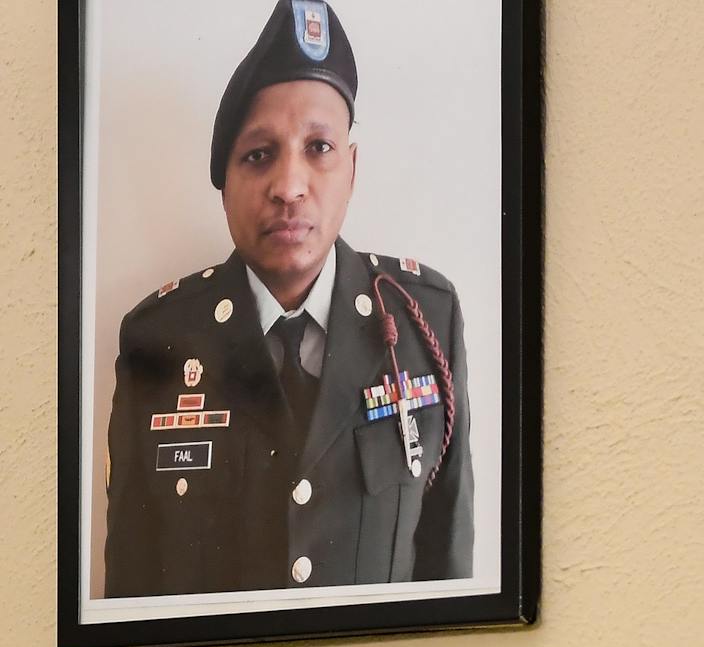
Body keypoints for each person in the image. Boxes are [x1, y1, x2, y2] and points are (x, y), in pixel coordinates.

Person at [104, 0, 473, 598]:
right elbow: (133, 587)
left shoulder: (424, 318)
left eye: (319, 148)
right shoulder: (158, 340)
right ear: (223, 183)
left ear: (352, 167)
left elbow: (450, 574)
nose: (289, 187)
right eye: (258, 155)